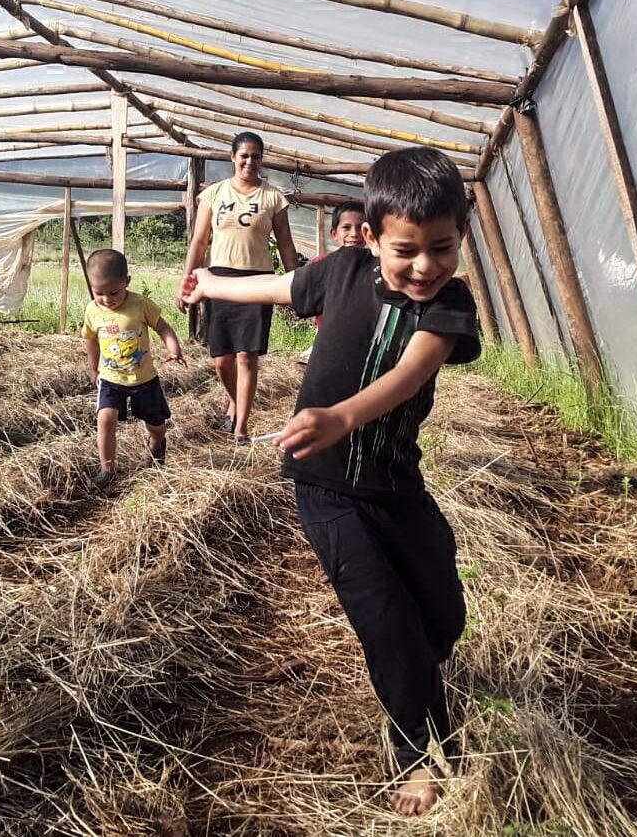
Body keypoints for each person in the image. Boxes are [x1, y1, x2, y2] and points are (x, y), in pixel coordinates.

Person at [183, 147, 480, 816]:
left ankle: (416, 674)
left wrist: (342, 416)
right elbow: (273, 288)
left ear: (460, 238)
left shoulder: (451, 305)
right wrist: (210, 283)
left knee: (442, 612)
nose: (427, 265)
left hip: (397, 484)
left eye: (443, 246)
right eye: (409, 249)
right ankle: (419, 752)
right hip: (324, 488)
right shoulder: (339, 272)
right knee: (387, 620)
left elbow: (411, 370)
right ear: (371, 238)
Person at [177, 131, 300, 443]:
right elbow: (199, 241)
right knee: (222, 358)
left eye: (255, 156)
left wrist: (296, 284)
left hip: (258, 279)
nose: (249, 161)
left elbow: (286, 245)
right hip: (218, 279)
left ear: (261, 159)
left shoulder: (273, 197)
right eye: (243, 155)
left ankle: (241, 426)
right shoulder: (213, 194)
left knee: (247, 355)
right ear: (233, 157)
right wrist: (187, 278)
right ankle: (234, 399)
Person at [81, 249, 185, 487]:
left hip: (144, 379)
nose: (107, 299)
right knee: (105, 419)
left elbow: (163, 328)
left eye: (114, 292)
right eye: (99, 293)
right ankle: (107, 469)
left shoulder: (140, 304)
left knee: (155, 425)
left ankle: (158, 442)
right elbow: (91, 340)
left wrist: (173, 349)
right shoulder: (92, 311)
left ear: (126, 281)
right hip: (110, 379)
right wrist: (93, 368)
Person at [300, 200, 367, 363]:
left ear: (369, 233)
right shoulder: (320, 265)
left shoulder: (375, 268)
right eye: (346, 227)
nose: (354, 234)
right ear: (334, 234)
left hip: (362, 344)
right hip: (327, 341)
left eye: (360, 228)